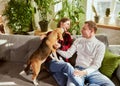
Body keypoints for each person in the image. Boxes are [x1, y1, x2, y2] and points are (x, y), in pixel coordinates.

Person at [55, 20, 115, 86]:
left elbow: (96, 64)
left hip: (93, 72)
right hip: (78, 70)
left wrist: (84, 72)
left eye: (84, 29)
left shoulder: (100, 45)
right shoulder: (78, 41)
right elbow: (68, 55)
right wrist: (56, 49)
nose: (81, 30)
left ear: (91, 31)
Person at [45, 17, 73, 86]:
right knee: (67, 66)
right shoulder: (51, 33)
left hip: (63, 61)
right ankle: (78, 78)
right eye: (67, 24)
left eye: (69, 25)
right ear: (61, 23)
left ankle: (52, 71)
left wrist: (60, 46)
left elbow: (68, 48)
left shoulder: (68, 36)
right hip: (51, 61)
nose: (68, 26)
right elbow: (46, 43)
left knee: (63, 82)